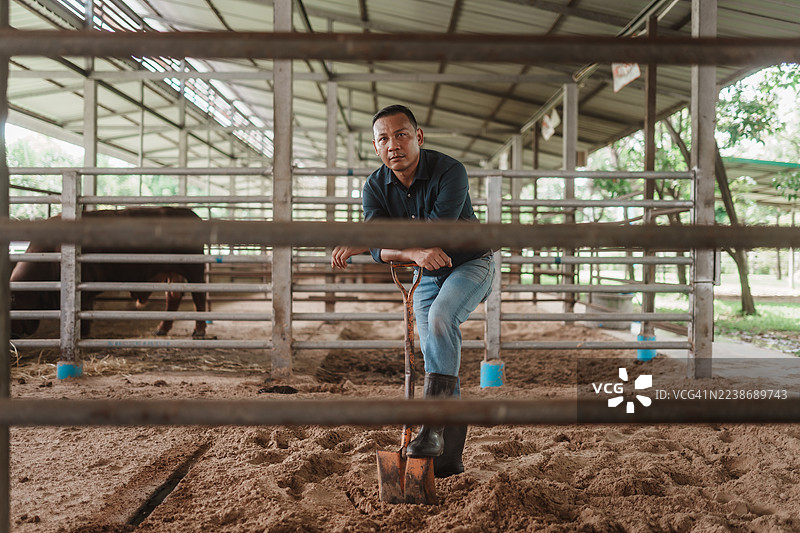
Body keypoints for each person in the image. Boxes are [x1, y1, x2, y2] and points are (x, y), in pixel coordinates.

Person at [331, 104, 495, 478]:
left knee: (440, 319)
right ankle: (448, 459)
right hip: (424, 272)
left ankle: (430, 426)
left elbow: (434, 233)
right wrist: (403, 251)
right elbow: (380, 245)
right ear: (376, 148)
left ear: (418, 137)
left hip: (470, 264)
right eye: (383, 139)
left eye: (401, 134)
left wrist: (375, 245)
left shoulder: (450, 171)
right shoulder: (374, 186)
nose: (393, 145)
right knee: (437, 354)